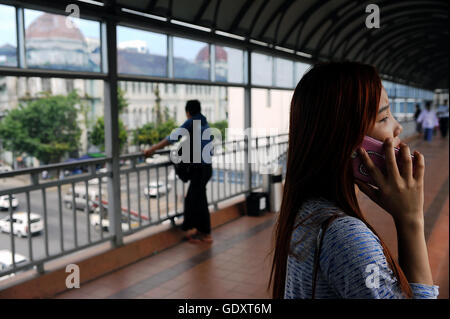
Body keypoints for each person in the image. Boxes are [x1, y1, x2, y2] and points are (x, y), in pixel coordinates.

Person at [269, 62, 438, 299]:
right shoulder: (345, 237)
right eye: (384, 118)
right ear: (349, 145)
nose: (398, 127)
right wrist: (411, 220)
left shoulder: (306, 210)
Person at [144, 100, 214, 244]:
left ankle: (200, 232)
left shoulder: (192, 122)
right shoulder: (204, 122)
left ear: (188, 112)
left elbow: (172, 138)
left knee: (194, 200)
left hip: (199, 169)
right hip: (206, 168)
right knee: (199, 199)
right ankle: (201, 231)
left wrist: (151, 150)